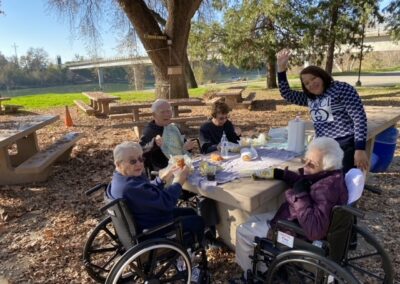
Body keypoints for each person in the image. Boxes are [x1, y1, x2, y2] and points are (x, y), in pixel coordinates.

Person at [235, 137, 348, 276]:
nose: (305, 166)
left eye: (311, 164)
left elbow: (315, 230)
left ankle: (252, 275)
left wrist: (299, 195)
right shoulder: (331, 176)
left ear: (327, 166)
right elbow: (307, 182)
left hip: (297, 234)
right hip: (294, 219)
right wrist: (284, 174)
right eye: (305, 160)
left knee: (242, 230)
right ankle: (265, 265)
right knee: (251, 219)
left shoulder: (326, 189)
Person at [276, 49, 369, 173]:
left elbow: (359, 117)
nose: (311, 84)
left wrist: (360, 149)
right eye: (307, 83)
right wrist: (281, 69)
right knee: (320, 180)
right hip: (322, 147)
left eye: (314, 78)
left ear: (322, 75)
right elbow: (287, 93)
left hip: (344, 145)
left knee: (341, 182)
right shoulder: (310, 98)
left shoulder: (341, 88)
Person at [107, 141, 204, 243]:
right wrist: (179, 181)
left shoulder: (120, 179)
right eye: (132, 161)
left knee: (191, 211)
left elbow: (146, 191)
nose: (139, 164)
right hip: (155, 230)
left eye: (141, 159)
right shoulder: (130, 188)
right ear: (118, 164)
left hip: (147, 218)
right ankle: (193, 250)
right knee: (198, 221)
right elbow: (167, 202)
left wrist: (161, 179)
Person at [139, 99, 197, 172]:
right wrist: (154, 143)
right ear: (154, 115)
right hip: (163, 171)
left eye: (169, 111)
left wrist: (188, 147)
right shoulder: (149, 130)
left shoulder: (173, 128)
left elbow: (182, 147)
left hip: (182, 165)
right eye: (162, 112)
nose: (167, 114)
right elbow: (140, 151)